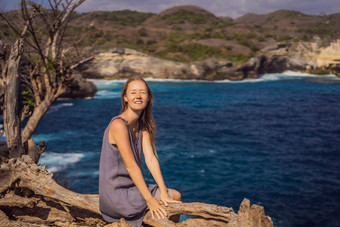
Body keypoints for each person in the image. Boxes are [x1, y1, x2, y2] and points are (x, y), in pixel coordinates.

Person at [99, 76, 181, 226]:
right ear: (125, 98)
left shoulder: (142, 126)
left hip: (131, 189)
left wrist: (163, 191)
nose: (138, 96)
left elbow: (150, 159)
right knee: (172, 200)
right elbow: (131, 166)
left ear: (148, 98)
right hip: (116, 195)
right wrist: (150, 200)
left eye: (143, 92)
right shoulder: (119, 125)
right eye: (133, 92)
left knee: (172, 196)